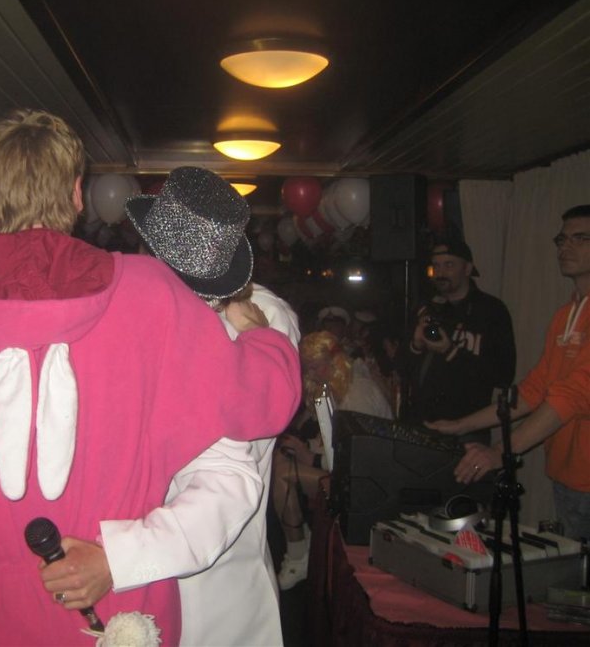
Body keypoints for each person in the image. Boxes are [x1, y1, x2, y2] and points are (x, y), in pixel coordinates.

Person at [0, 109, 301, 646]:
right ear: (77, 194)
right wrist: (265, 341)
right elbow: (261, 403)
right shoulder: (150, 295)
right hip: (120, 614)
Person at [62, 166, 300, 647]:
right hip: (140, 567)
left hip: (217, 580)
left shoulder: (261, 319)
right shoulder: (143, 312)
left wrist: (118, 558)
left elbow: (227, 475)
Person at [429, 205, 590, 542]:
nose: (566, 247)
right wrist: (461, 425)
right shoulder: (566, 314)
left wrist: (499, 451)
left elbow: (574, 395)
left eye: (580, 238)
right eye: (562, 239)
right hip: (567, 475)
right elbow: (533, 390)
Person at [272, 330, 393, 589]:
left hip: (368, 482)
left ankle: (298, 555)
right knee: (280, 464)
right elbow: (329, 440)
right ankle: (299, 542)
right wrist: (305, 448)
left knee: (283, 475)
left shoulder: (357, 394)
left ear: (335, 362)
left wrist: (311, 457)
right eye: (309, 368)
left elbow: (359, 457)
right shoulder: (336, 387)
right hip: (348, 470)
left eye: (317, 366)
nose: (312, 374)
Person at [400, 238, 516, 443]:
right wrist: (416, 345)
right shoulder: (425, 308)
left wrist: (450, 352)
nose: (441, 273)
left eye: (449, 265)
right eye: (436, 266)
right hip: (421, 424)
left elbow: (503, 375)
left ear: (467, 268)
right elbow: (401, 368)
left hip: (467, 430)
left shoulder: (491, 311)